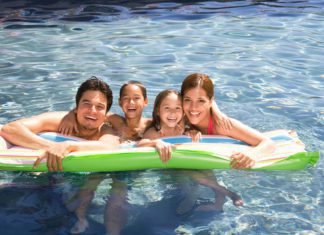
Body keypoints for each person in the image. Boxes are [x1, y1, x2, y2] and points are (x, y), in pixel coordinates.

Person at [137, 89, 243, 214]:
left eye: (177, 108)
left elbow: (206, 100)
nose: (172, 113)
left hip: (184, 162)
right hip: (170, 169)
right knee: (196, 178)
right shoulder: (155, 132)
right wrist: (156, 142)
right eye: (167, 108)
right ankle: (227, 194)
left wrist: (193, 133)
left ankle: (219, 200)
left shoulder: (181, 128)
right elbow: (140, 145)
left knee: (206, 169)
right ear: (157, 111)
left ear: (183, 112)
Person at [0, 76, 120, 171]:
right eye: (86, 104)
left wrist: (68, 146)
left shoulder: (106, 131)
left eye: (99, 107)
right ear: (76, 108)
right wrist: (51, 147)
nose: (92, 111)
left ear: (105, 115)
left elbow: (109, 148)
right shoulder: (60, 121)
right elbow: (10, 129)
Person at [181, 73, 276, 169]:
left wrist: (253, 155)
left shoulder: (223, 125)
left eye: (201, 101)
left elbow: (269, 143)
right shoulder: (179, 116)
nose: (193, 107)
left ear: (210, 102)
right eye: (188, 100)